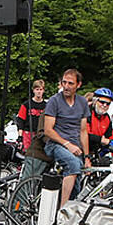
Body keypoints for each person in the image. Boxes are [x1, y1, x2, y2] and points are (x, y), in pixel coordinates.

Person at [42, 68, 91, 203]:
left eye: (70, 83)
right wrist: (67, 144)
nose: (66, 87)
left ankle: (69, 206)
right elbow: (48, 130)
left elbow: (83, 131)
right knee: (73, 164)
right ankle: (63, 209)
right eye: (64, 83)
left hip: (75, 147)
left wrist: (87, 157)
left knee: (78, 180)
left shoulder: (82, 102)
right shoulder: (54, 101)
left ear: (78, 85)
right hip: (56, 144)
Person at [86, 87, 113, 161]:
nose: (104, 105)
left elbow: (110, 136)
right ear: (95, 101)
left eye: (108, 104)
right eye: (102, 102)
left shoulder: (106, 117)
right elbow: (84, 135)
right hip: (79, 149)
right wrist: (103, 140)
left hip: (95, 151)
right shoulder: (86, 112)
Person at [16, 79, 49, 151]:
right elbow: (20, 121)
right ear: (33, 90)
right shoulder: (26, 105)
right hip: (27, 134)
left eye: (41, 89)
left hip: (40, 135)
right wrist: (20, 137)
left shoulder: (46, 106)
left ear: (43, 91)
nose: (39, 91)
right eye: (37, 89)